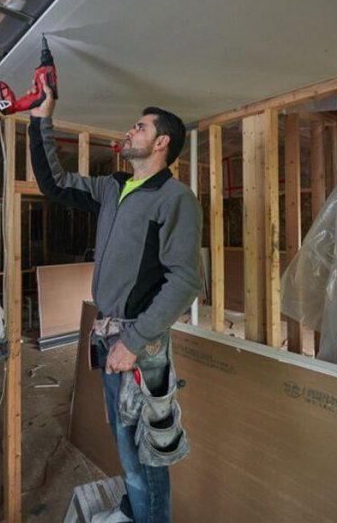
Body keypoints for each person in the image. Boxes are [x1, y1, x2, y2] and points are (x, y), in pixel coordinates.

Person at [27, 73, 202, 523]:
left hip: (138, 341)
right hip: (110, 333)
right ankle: (135, 509)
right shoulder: (113, 188)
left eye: (139, 127)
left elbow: (186, 280)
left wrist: (134, 341)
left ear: (161, 142)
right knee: (124, 441)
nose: (129, 130)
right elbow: (55, 183)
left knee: (147, 450)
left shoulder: (174, 198)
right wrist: (41, 119)